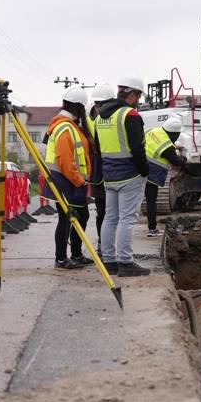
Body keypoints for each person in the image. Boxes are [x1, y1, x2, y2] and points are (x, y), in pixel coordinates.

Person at [94, 76, 151, 277]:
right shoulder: (130, 115)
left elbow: (98, 149)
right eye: (139, 96)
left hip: (109, 176)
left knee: (111, 218)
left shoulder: (100, 117)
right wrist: (144, 170)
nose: (139, 100)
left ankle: (109, 261)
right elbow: (138, 148)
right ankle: (126, 262)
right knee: (127, 219)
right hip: (130, 175)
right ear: (133, 94)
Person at [41, 86, 94, 270]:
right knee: (66, 219)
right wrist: (80, 181)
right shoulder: (65, 128)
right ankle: (62, 259)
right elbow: (65, 161)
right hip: (67, 181)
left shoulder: (67, 125)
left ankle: (74, 255)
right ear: (78, 107)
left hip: (69, 181)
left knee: (78, 216)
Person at [144, 116, 188, 237]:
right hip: (150, 173)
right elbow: (176, 161)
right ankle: (152, 229)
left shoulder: (153, 130)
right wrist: (184, 159)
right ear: (175, 134)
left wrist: (173, 147)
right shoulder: (167, 146)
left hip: (137, 168)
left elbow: (155, 143)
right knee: (151, 201)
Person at [87, 83, 115, 255]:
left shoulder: (95, 119)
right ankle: (104, 247)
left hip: (104, 171)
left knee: (108, 214)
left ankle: (106, 246)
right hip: (101, 172)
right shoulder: (94, 120)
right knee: (104, 213)